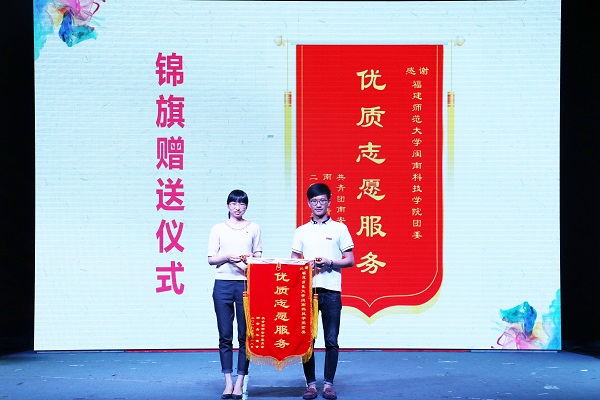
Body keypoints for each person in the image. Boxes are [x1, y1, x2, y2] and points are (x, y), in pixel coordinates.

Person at [291, 183, 355, 400]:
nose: (318, 204)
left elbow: (350, 260)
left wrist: (330, 262)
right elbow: (293, 261)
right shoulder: (301, 231)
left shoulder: (340, 228)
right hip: (307, 291)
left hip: (331, 290)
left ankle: (328, 385)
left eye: (322, 200)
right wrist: (306, 265)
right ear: (308, 203)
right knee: (307, 340)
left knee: (331, 339)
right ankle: (310, 385)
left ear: (329, 202)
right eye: (314, 201)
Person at [208, 189, 263, 399]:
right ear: (228, 205)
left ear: (246, 206)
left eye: (242, 204)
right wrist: (228, 257)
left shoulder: (254, 227)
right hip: (222, 284)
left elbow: (259, 257)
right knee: (225, 335)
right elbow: (211, 259)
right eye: (234, 204)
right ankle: (228, 382)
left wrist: (249, 258)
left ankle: (240, 382)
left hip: (245, 285)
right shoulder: (218, 228)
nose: (238, 208)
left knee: (244, 335)